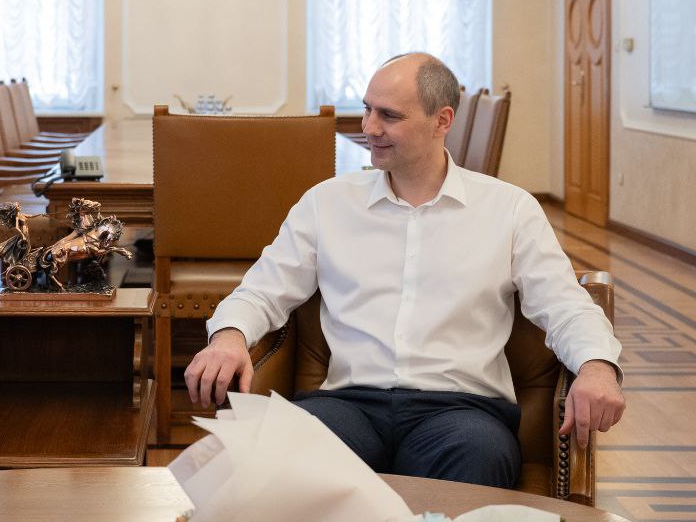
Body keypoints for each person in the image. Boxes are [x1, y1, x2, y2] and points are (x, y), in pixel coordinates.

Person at [184, 53, 625, 488]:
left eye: (389, 116)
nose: (369, 127)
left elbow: (565, 304)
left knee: (479, 455)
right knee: (288, 450)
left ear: (442, 121)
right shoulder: (327, 202)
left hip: (461, 412)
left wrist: (597, 366)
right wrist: (229, 336)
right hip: (348, 405)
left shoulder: (509, 210)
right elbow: (261, 290)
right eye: (367, 109)